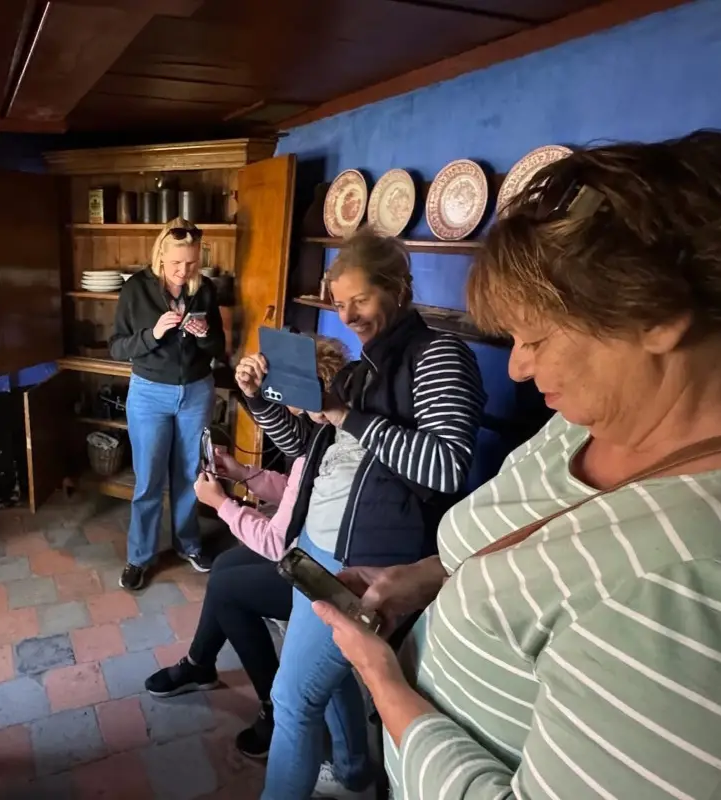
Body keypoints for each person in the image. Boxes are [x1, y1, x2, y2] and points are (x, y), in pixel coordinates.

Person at [313, 130, 721, 800]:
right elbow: (536, 545)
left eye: (537, 337)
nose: (517, 367)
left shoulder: (710, 586)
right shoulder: (587, 417)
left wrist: (384, 681)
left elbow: (443, 466)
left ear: (657, 313)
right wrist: (426, 577)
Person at [233, 228, 488, 800]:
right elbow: (303, 449)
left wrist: (346, 416)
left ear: (398, 289)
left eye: (361, 300)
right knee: (323, 675)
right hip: (315, 546)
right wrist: (256, 400)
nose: (347, 316)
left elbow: (446, 466)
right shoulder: (358, 371)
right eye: (339, 303)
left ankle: (336, 776)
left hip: (365, 561)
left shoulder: (440, 356)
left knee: (293, 697)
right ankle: (353, 772)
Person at [141, 335, 351, 762]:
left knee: (228, 589)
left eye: (284, 391)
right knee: (225, 566)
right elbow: (294, 488)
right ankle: (200, 663)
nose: (278, 401)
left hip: (323, 576)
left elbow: (275, 542)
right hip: (306, 549)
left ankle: (273, 707)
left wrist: (221, 504)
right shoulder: (323, 431)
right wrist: (241, 473)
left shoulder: (330, 440)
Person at [109, 218, 225, 586]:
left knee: (190, 474)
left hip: (196, 391)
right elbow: (117, 347)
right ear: (160, 255)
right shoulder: (136, 290)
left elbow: (219, 346)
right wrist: (153, 334)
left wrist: (205, 336)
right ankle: (139, 557)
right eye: (176, 263)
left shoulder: (204, 289)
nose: (183, 271)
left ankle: (188, 544)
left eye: (191, 263)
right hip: (149, 393)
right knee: (148, 478)